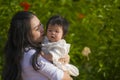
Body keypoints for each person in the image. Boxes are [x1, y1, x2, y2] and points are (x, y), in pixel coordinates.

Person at [2, 11, 73, 80]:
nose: (42, 29)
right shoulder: (33, 56)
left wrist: (63, 57)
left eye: (40, 24)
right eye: (37, 29)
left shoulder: (22, 52)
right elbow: (66, 78)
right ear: (26, 35)